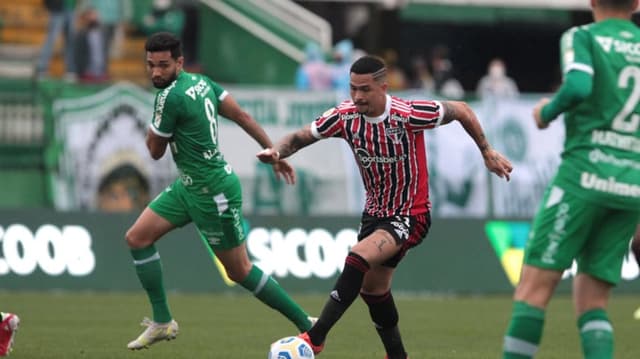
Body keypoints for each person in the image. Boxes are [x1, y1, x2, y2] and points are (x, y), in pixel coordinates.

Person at [257, 55, 513, 358]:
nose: (357, 96)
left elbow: (463, 110)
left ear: (383, 87)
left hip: (410, 214)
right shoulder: (344, 116)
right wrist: (277, 151)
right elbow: (301, 137)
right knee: (373, 291)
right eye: (353, 89)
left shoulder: (409, 113)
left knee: (358, 256)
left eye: (365, 89)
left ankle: (315, 338)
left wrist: (486, 150)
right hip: (374, 215)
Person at [125, 32, 315, 350]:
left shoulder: (169, 98)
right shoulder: (203, 83)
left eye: (163, 65)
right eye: (150, 65)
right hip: (188, 186)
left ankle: (307, 323)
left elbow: (155, 151)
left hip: (212, 191)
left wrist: (156, 123)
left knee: (239, 270)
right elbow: (242, 116)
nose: (156, 72)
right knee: (137, 238)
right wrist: (274, 152)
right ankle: (161, 321)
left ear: (179, 62)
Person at [501, 1, 640, 358]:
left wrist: (545, 113)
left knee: (532, 292)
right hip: (631, 185)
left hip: (584, 177)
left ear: (592, 2)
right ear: (637, 4)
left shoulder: (582, 36)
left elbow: (578, 85)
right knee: (593, 302)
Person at [36, 0, 77, 80]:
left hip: (71, 8)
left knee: (70, 41)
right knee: (51, 39)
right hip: (58, 9)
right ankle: (42, 68)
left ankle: (70, 70)